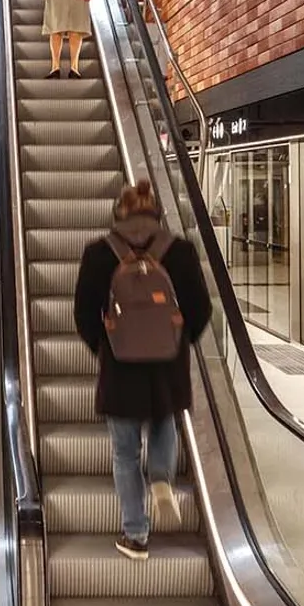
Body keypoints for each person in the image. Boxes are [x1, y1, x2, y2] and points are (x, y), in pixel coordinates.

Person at [71, 180, 213, 560]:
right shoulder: (179, 251)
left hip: (120, 368)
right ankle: (163, 478)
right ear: (156, 214)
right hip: (167, 363)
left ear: (119, 214)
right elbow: (201, 310)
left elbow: (84, 314)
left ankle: (136, 535)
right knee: (165, 422)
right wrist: (178, 342)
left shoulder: (100, 253)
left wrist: (105, 348)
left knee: (124, 453)